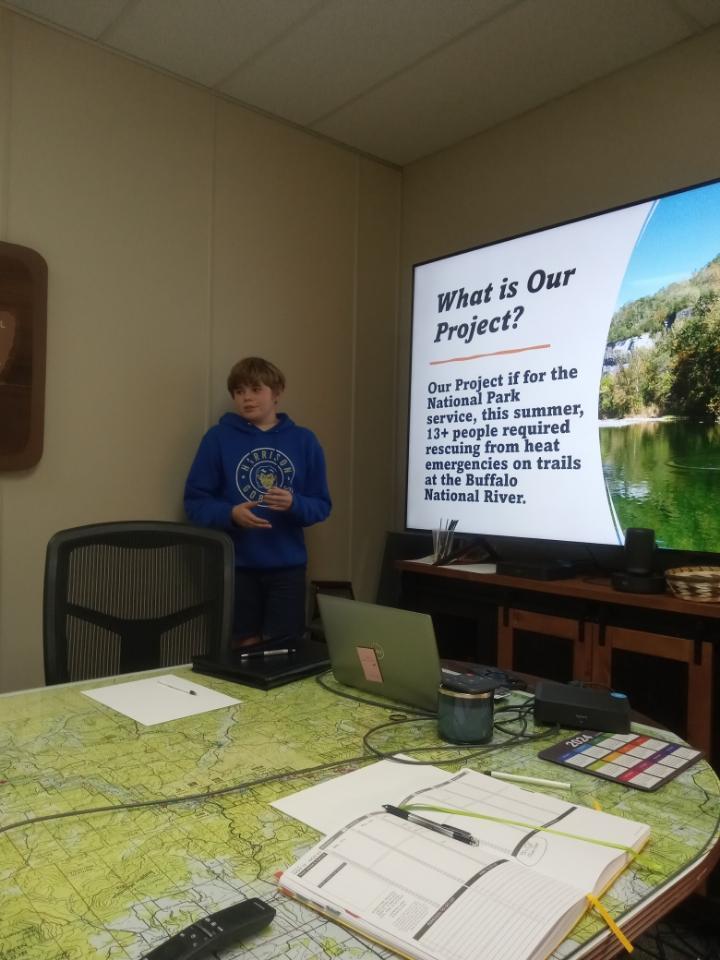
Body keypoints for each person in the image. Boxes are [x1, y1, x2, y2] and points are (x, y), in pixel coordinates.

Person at [184, 357, 331, 645]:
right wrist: (230, 514)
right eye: (239, 392)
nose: (246, 398)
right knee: (243, 650)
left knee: (283, 650)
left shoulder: (304, 441)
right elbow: (195, 502)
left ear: (277, 392)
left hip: (287, 568)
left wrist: (294, 504)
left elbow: (322, 505)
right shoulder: (217, 439)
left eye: (255, 389)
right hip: (237, 566)